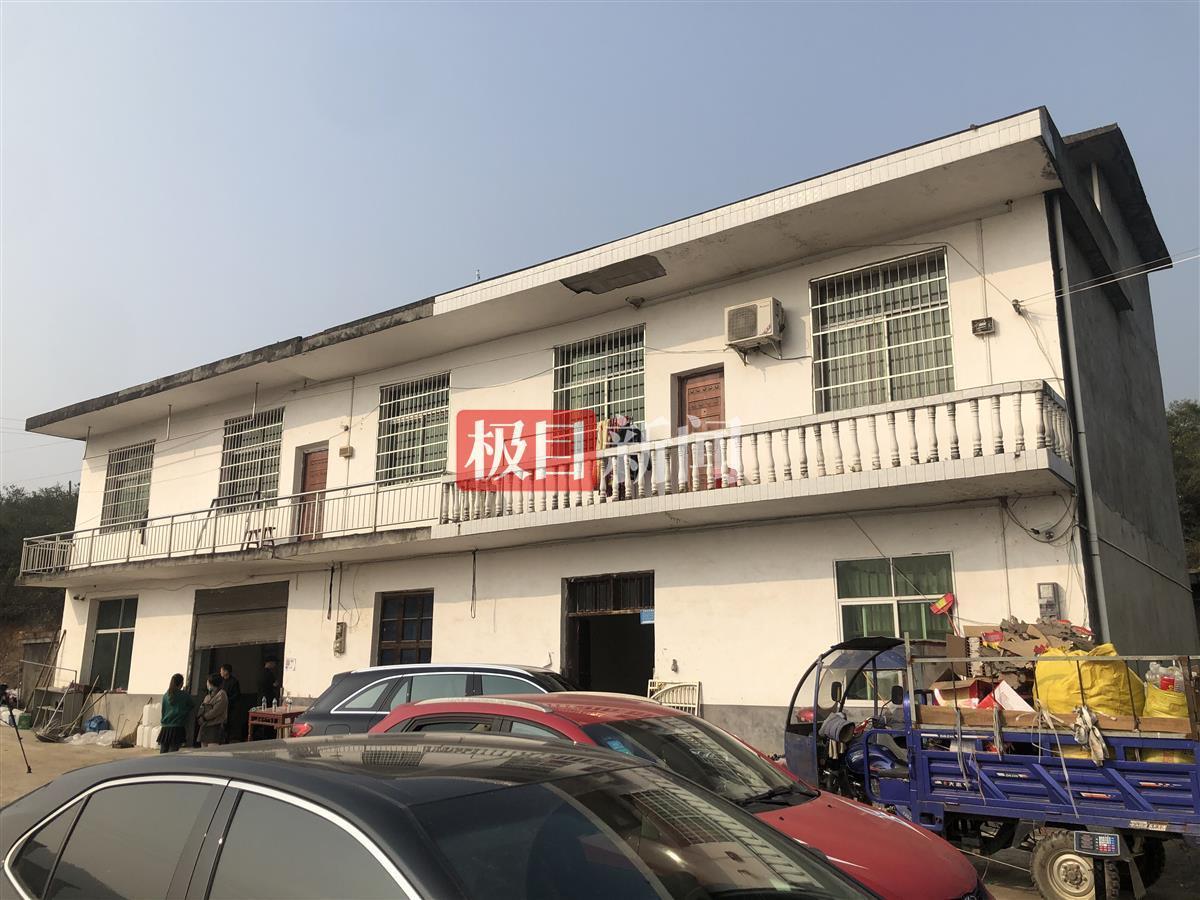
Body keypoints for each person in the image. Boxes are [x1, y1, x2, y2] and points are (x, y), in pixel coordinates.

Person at [157, 673, 193, 753]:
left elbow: (163, 710)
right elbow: (191, 705)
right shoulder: (184, 695)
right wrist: (184, 712)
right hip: (177, 727)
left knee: (163, 752)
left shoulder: (166, 695)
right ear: (181, 683)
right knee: (173, 753)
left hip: (165, 728)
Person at [196, 673, 228, 748]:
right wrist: (200, 716)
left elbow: (216, 711)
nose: (207, 684)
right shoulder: (208, 696)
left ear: (212, 683)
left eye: (208, 682)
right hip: (205, 726)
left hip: (215, 726)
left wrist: (204, 717)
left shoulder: (222, 694)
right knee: (203, 749)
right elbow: (202, 707)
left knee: (213, 749)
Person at [252, 657, 281, 740]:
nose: (275, 665)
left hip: (260, 698)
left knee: (260, 718)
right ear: (270, 663)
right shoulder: (269, 674)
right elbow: (275, 684)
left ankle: (256, 735)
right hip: (268, 699)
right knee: (269, 719)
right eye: (274, 663)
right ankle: (268, 736)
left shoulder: (259, 672)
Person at [219, 663, 242, 743]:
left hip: (231, 706)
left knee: (229, 723)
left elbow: (236, 695)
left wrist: (227, 700)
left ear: (226, 671)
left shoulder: (234, 682)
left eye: (221, 670)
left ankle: (228, 739)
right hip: (222, 706)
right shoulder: (221, 681)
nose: (220, 672)